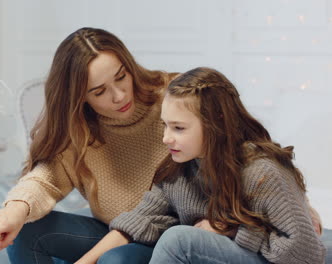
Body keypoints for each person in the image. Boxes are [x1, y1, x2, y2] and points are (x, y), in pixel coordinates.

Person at [78, 67, 326, 264]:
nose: (166, 138)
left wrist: (230, 229)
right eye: (165, 125)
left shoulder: (261, 172)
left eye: (178, 128)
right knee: (120, 256)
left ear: (215, 122)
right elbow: (138, 222)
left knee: (179, 240)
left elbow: (308, 255)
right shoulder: (179, 170)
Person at [0, 27, 178, 263]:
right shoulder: (80, 128)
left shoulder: (175, 97)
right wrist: (15, 210)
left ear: (130, 67)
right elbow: (46, 177)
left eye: (121, 77)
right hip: (111, 233)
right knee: (24, 232)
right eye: (99, 91)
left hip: (167, 237)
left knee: (115, 260)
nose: (119, 96)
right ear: (80, 97)